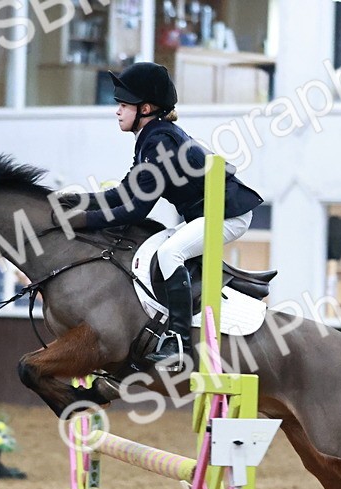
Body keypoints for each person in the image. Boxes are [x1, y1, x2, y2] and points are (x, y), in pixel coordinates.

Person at [55, 62, 263, 370]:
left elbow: (135, 209)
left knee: (169, 253)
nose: (117, 111)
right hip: (202, 213)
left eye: (124, 105)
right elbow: (124, 193)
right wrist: (77, 201)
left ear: (146, 108)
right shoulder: (151, 138)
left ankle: (179, 344)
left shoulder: (160, 141)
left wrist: (83, 220)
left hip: (228, 214)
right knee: (155, 248)